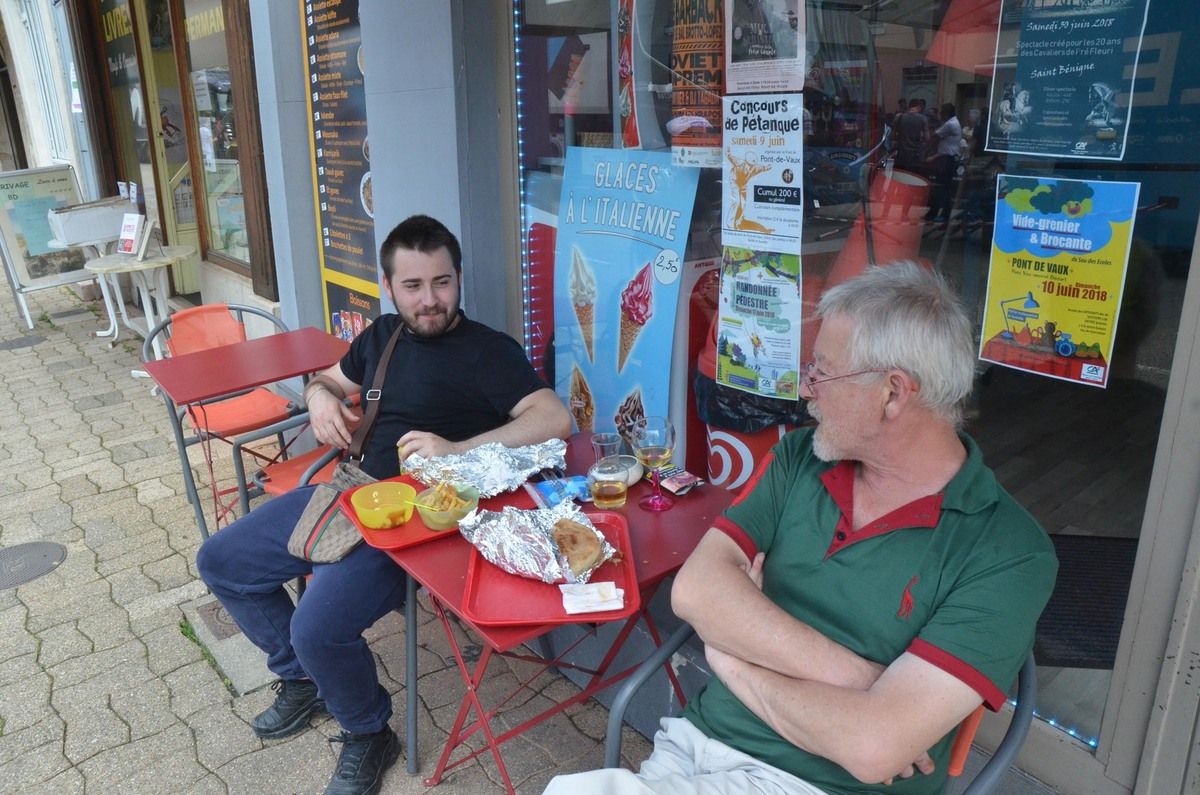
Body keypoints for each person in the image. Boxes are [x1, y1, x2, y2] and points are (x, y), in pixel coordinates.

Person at [544, 261, 1057, 795]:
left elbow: (871, 747)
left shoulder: (1009, 553)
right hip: (691, 750)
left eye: (822, 371)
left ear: (893, 394)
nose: (805, 390)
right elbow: (696, 591)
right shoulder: (798, 459)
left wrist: (732, 656)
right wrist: (865, 683)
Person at [197, 215, 571, 795]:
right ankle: (302, 681)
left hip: (420, 521)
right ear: (390, 287)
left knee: (317, 628)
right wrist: (321, 399)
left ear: (459, 279)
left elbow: (554, 417)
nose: (430, 301)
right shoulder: (382, 336)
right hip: (348, 491)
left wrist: (456, 448)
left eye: (442, 283)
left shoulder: (487, 351)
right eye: (414, 287)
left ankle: (368, 732)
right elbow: (327, 380)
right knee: (222, 562)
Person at [925, 103, 963, 223]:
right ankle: (937, 213)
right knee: (943, 188)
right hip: (946, 158)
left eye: (942, 113)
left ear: (946, 113)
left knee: (941, 188)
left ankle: (939, 214)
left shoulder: (950, 124)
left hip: (946, 160)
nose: (940, 115)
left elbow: (935, 136)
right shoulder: (954, 122)